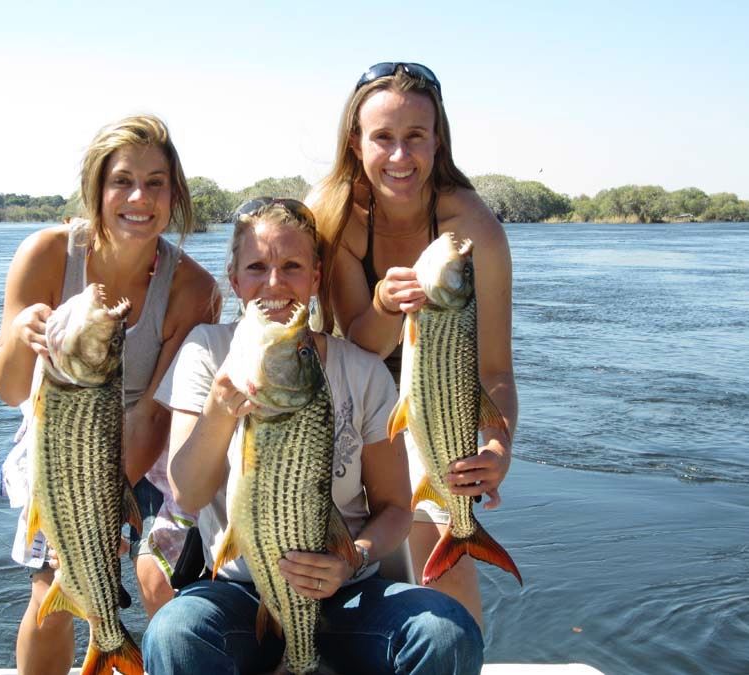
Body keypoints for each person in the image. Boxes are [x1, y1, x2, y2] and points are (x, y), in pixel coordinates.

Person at [143, 198, 483, 674]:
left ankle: (305, 656)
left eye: (292, 266)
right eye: (256, 267)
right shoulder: (206, 349)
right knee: (174, 635)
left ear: (317, 278)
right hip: (239, 590)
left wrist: (351, 558)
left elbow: (395, 508)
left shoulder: (363, 371)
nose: (274, 283)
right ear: (234, 279)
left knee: (448, 632)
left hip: (348, 592)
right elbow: (189, 493)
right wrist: (219, 411)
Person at [0, 114, 219, 675]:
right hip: (60, 438)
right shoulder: (46, 254)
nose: (139, 198)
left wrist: (105, 511)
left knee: (163, 579)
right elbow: (10, 388)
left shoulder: (194, 287)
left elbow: (154, 416)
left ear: (174, 194)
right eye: (122, 181)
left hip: (153, 438)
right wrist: (23, 333)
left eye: (156, 183)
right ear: (95, 188)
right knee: (53, 589)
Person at [309, 62, 518, 629]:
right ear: (355, 142)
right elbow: (357, 343)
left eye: (416, 137)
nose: (400, 156)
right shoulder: (333, 214)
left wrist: (496, 447)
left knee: (446, 594)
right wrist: (383, 305)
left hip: (438, 405)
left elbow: (495, 371)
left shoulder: (474, 226)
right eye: (383, 137)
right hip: (352, 389)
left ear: (438, 140)